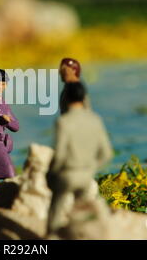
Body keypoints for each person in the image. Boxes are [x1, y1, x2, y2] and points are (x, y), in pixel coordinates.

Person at [47, 82, 113, 234]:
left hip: (68, 174)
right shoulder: (95, 119)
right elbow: (106, 153)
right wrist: (92, 168)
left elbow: (60, 154)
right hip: (87, 175)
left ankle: (52, 235)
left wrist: (51, 172)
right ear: (84, 98)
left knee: (57, 207)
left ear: (65, 99)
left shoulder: (63, 122)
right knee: (83, 211)